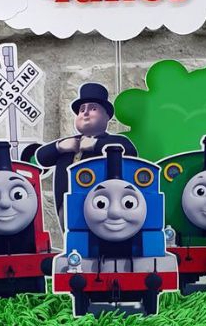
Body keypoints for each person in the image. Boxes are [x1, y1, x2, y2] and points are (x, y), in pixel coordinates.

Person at [31, 83, 136, 226]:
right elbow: (42, 158)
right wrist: (59, 147)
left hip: (103, 204)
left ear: (106, 116)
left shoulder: (115, 141)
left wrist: (95, 145)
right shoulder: (69, 144)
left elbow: (129, 151)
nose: (85, 113)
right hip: (67, 205)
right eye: (82, 110)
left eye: (93, 108)